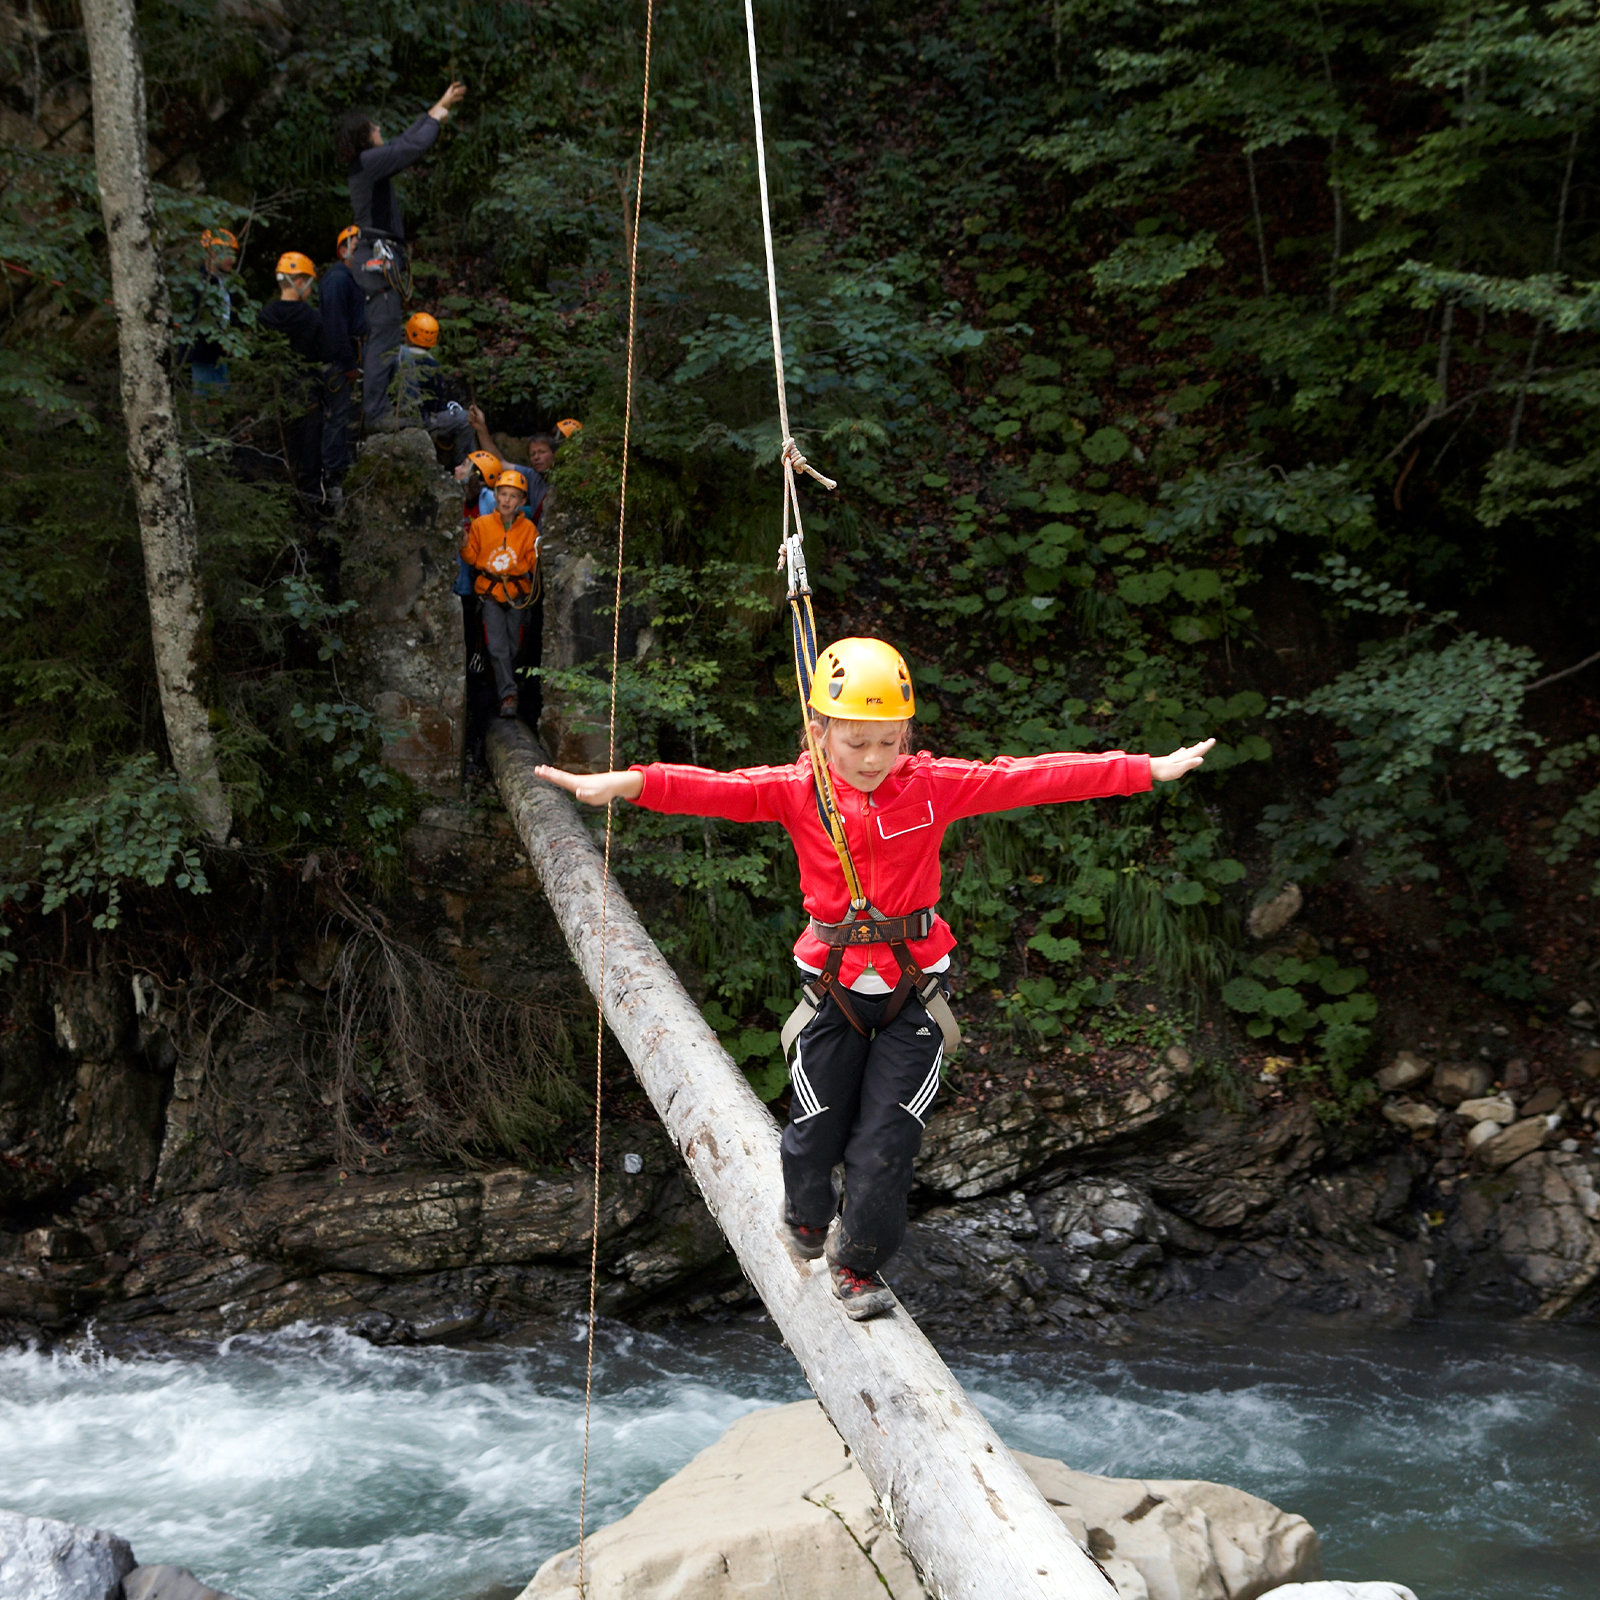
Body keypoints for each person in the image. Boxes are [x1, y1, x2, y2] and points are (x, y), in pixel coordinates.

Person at [535, 638, 1214, 1319]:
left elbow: (1031, 776)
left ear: (905, 737)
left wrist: (1145, 768)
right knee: (815, 1130)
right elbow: (714, 789)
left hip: (913, 991)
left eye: (886, 744)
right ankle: (805, 1217)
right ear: (820, 731)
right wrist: (626, 784)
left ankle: (857, 1265)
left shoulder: (931, 787)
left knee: (887, 1144)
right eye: (855, 743)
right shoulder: (798, 792)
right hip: (831, 988)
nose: (869, 760)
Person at [336, 81, 466, 425]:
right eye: (374, 128)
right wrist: (437, 117)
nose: (380, 130)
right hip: (377, 258)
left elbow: (402, 144)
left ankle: (379, 409)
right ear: (365, 136)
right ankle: (377, 413)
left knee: (387, 331)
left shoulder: (368, 163)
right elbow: (410, 147)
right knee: (384, 332)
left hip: (378, 255)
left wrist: (440, 104)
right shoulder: (368, 162)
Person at [459, 467, 541, 719]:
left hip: (517, 594)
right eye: (503, 494)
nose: (507, 500)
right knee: (496, 647)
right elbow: (472, 557)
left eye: (513, 496)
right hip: (490, 593)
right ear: (495, 495)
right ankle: (508, 695)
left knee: (514, 647)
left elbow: (530, 563)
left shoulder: (528, 529)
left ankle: (507, 687)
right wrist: (463, 543)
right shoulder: (482, 525)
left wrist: (539, 552)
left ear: (522, 501)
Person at [256, 251, 328, 508]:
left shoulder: (265, 315)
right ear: (300, 282)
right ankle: (310, 503)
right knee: (308, 452)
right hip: (306, 394)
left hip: (273, 395)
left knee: (276, 446)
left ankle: (277, 500)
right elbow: (323, 351)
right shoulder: (313, 318)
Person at [452, 450, 504, 774]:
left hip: (480, 597)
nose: (456, 470)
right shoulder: (459, 498)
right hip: (462, 592)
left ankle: (479, 740)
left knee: (478, 665)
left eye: (464, 467)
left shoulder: (486, 502)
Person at [318, 226, 368, 508]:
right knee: (337, 417)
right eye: (356, 244)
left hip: (349, 356)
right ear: (343, 249)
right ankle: (332, 478)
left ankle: (342, 470)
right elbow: (335, 326)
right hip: (339, 361)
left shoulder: (354, 279)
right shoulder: (337, 280)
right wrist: (348, 362)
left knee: (345, 417)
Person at [392, 312, 473, 463]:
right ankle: (464, 468)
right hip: (421, 420)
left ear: (408, 334)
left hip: (391, 416)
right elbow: (436, 404)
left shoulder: (394, 355)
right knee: (466, 419)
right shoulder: (432, 365)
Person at [179, 228, 237, 397]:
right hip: (203, 353)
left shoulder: (223, 282)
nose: (232, 260)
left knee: (218, 398)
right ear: (211, 252)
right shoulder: (199, 282)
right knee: (202, 398)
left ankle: (215, 424)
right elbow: (198, 318)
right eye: (227, 253)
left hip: (219, 354)